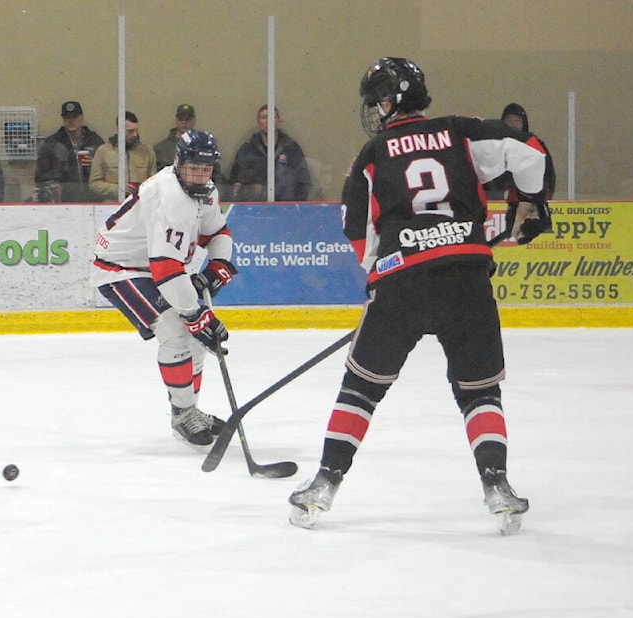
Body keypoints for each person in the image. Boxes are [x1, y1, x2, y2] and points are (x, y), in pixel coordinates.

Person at [288, 57, 552, 534]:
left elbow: (355, 229)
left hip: (401, 285)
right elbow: (529, 150)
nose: (377, 110)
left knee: (361, 389)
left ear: (397, 97)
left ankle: (323, 484)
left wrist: (377, 279)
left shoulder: (371, 153)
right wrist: (528, 199)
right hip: (465, 280)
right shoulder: (461, 131)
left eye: (381, 99)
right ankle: (497, 485)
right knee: (479, 391)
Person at [93, 130, 236, 447]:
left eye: (206, 168)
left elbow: (217, 232)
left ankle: (189, 412)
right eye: (193, 167)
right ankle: (184, 415)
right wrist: (195, 314)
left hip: (155, 267)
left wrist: (219, 265)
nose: (200, 175)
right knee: (176, 328)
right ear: (179, 163)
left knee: (195, 337)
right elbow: (167, 270)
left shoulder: (205, 190)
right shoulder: (169, 196)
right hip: (120, 267)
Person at [227, 105, 311, 202]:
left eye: (272, 117)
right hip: (254, 209)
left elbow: (304, 182)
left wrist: (295, 206)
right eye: (264, 117)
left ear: (279, 121)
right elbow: (234, 184)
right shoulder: (246, 151)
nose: (268, 121)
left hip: (286, 209)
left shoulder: (292, 149)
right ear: (258, 122)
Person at [483, 102, 557, 201]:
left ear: (523, 123)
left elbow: (548, 174)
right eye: (509, 121)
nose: (513, 124)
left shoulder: (534, 144)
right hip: (496, 200)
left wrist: (544, 197)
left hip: (527, 200)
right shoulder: (494, 144)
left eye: (517, 121)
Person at [33, 100, 104, 202]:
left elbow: (108, 172)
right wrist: (59, 177)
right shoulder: (51, 144)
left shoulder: (95, 141)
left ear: (82, 118)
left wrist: (95, 165)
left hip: (92, 200)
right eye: (67, 118)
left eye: (74, 117)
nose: (71, 121)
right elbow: (40, 177)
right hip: (63, 200)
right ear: (63, 119)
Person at [88, 110, 157, 202]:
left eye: (136, 130)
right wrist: (118, 189)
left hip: (140, 206)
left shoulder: (147, 151)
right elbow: (94, 184)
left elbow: (154, 182)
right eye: (130, 131)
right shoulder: (104, 151)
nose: (135, 134)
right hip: (113, 207)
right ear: (119, 129)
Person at [154, 104, 224, 186]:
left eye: (188, 119)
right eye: (181, 119)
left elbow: (215, 173)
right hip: (169, 189)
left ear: (194, 120)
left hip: (199, 190)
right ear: (176, 120)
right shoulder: (161, 148)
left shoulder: (205, 146)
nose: (184, 122)